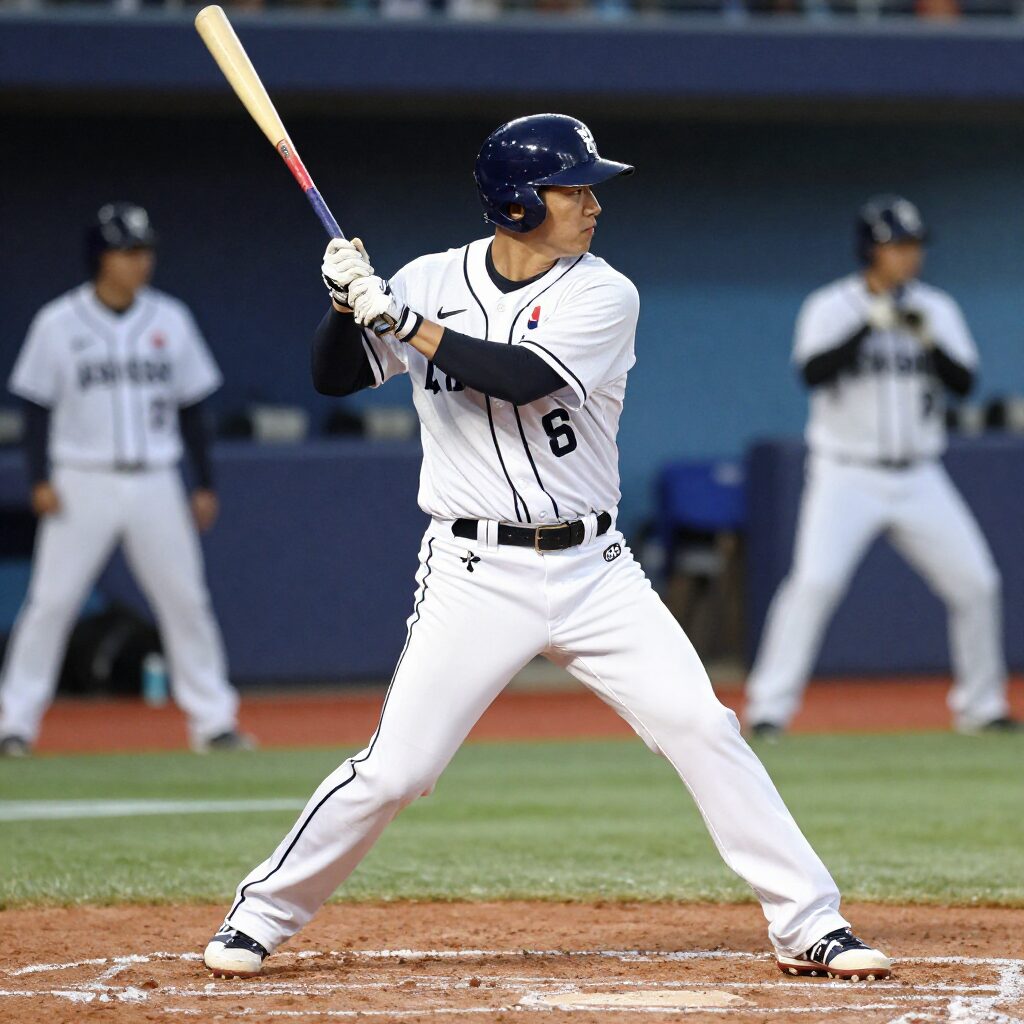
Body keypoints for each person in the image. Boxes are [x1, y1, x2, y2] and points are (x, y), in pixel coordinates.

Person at [203, 115, 890, 983]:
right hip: (473, 571)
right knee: (397, 771)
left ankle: (809, 923)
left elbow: (521, 378)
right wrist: (344, 310)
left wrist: (404, 320)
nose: (594, 205)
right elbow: (335, 375)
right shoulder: (429, 279)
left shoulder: (604, 293)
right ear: (519, 204)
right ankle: (260, 914)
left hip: (595, 570)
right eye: (574, 189)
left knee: (703, 726)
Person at [745, 195, 1017, 739]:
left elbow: (964, 382)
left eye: (914, 245)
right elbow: (814, 373)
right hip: (845, 473)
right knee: (815, 584)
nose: (910, 255)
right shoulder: (831, 305)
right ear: (870, 249)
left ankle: (982, 705)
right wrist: (869, 324)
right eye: (898, 245)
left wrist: (922, 335)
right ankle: (768, 709)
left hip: (920, 473)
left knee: (977, 583)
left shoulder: (936, 308)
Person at [0, 202, 253, 757]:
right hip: (81, 478)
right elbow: (36, 408)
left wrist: (203, 483)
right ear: (101, 257)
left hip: (156, 478)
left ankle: (213, 721)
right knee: (51, 603)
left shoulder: (170, 319)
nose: (141, 261)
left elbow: (192, 409)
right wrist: (38, 477)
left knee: (185, 600)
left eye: (144, 250)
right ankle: (14, 722)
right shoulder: (57, 322)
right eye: (128, 251)